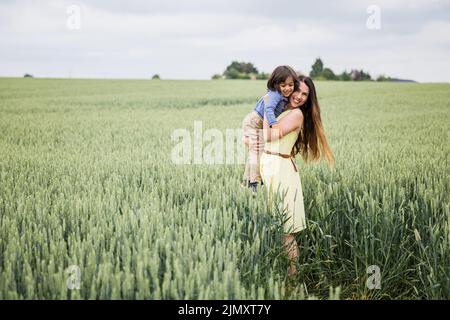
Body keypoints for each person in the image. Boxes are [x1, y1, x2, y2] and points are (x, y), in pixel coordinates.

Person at [259, 76, 334, 277]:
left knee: (286, 231)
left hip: (281, 172)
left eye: (305, 95)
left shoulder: (297, 115)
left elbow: (269, 136)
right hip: (270, 165)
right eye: (297, 91)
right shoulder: (283, 110)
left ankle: (292, 278)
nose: (299, 97)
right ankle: (276, 274)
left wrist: (267, 106)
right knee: (271, 225)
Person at [241, 66, 299, 192]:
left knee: (256, 151)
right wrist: (274, 125)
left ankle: (249, 181)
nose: (287, 88)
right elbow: (269, 109)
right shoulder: (274, 95)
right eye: (283, 85)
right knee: (259, 151)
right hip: (255, 122)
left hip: (257, 122)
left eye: (290, 84)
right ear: (275, 84)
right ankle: (254, 183)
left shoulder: (283, 95)